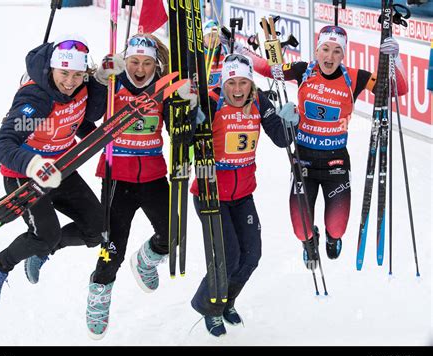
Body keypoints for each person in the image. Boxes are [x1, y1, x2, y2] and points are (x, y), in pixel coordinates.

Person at [227, 25, 408, 268]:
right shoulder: (304, 70)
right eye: (325, 49)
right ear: (317, 50)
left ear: (343, 54)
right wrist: (240, 50)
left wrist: (395, 58)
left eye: (336, 51)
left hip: (336, 162)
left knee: (337, 227)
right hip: (304, 159)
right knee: (301, 229)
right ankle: (309, 241)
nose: (329, 57)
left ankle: (332, 239)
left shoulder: (355, 77)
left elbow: (398, 90)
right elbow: (269, 70)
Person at [0, 34, 117, 307]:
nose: (70, 82)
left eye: (78, 75)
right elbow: (1, 144)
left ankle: (43, 250)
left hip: (62, 169)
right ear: (52, 69)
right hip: (25, 174)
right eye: (64, 73)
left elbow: (87, 117)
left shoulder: (83, 86)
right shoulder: (36, 98)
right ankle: (0, 265)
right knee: (45, 234)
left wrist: (101, 81)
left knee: (97, 229)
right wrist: (33, 164)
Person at [85, 33, 197, 339]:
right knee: (112, 249)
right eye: (134, 61)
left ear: (154, 64)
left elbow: (178, 131)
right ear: (126, 61)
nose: (140, 68)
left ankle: (146, 260)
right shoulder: (113, 86)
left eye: (147, 63)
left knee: (172, 235)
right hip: (116, 177)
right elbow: (92, 115)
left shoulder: (163, 89)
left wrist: (187, 108)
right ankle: (99, 293)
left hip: (152, 176)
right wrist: (98, 80)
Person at [190, 53, 299, 337]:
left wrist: (290, 121)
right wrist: (190, 120)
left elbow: (281, 139)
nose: (238, 90)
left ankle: (226, 301)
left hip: (243, 194)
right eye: (232, 83)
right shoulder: (212, 101)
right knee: (228, 256)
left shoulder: (260, 101)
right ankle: (209, 306)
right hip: (210, 192)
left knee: (251, 255)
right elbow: (185, 140)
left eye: (244, 83)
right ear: (223, 82)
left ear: (252, 83)